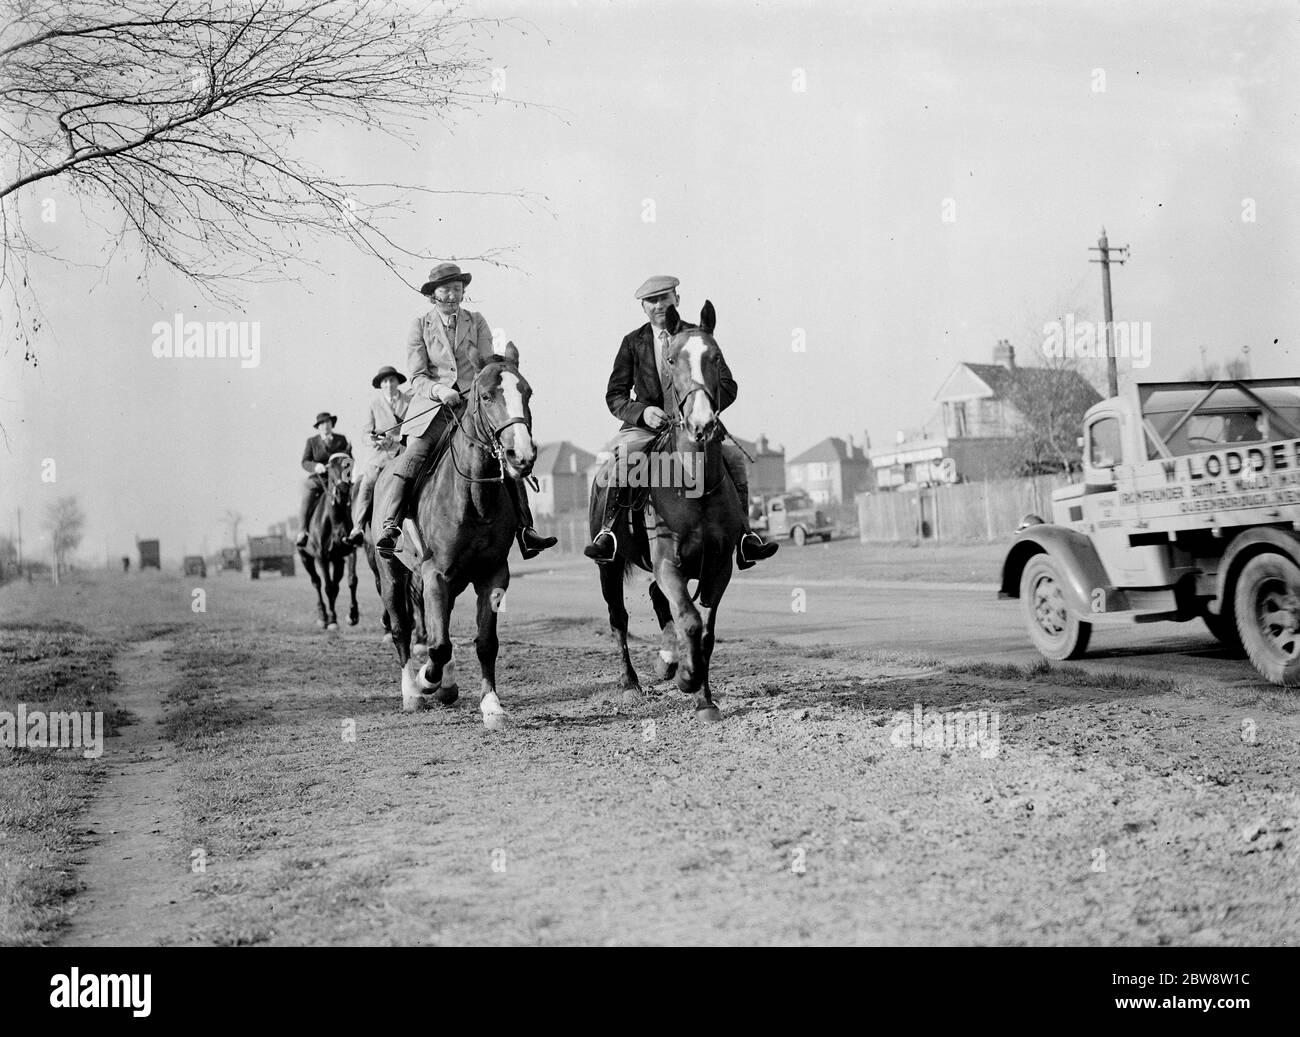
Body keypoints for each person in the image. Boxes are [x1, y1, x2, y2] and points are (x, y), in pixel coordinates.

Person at [584, 275, 778, 569]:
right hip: (645, 428)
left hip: (696, 425)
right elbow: (615, 396)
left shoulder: (699, 337)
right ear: (643, 308)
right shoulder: (633, 343)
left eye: (665, 297)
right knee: (622, 461)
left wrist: (703, 407)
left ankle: (745, 538)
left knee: (735, 458)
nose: (659, 305)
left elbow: (728, 385)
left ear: (677, 298)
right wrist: (642, 412)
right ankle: (608, 533)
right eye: (652, 300)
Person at [373, 263, 556, 559]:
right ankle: (392, 525)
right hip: (435, 408)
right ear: (433, 295)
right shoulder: (419, 326)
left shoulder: (477, 320)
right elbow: (418, 376)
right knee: (415, 454)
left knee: (503, 452)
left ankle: (525, 529)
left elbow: (484, 364)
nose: (453, 295)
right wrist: (439, 390)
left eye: (458, 289)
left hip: (473, 405)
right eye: (446, 289)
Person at [345, 365, 411, 546]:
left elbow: (413, 429)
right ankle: (357, 528)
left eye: (392, 380)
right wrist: (375, 439)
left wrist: (394, 440)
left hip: (402, 452)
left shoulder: (409, 401)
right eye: (385, 381)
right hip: (380, 456)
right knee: (367, 483)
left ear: (398, 382)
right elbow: (365, 433)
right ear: (381, 385)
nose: (389, 384)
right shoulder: (374, 404)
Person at [295, 412, 353, 547]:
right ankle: (303, 531)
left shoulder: (341, 439)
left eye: (327, 423)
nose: (325, 426)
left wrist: (346, 475)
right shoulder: (312, 442)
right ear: (318, 427)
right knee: (307, 493)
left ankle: (357, 530)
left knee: (353, 493)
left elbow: (348, 459)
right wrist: (316, 466)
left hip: (339, 478)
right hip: (320, 478)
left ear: (332, 424)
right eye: (322, 424)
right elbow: (305, 462)